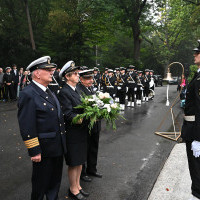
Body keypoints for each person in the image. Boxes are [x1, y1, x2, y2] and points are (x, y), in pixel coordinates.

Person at [17, 56, 67, 200]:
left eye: (51, 70)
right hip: (43, 150)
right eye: (48, 70)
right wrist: (34, 150)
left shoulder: (48, 91)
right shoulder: (28, 94)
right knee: (40, 186)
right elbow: (27, 125)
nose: (52, 72)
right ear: (37, 73)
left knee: (54, 184)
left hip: (56, 147)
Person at [58, 61, 88, 200]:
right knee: (74, 162)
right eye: (75, 74)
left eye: (77, 73)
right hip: (73, 133)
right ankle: (73, 189)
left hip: (81, 131)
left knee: (80, 160)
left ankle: (78, 185)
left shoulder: (78, 89)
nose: (78, 75)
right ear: (67, 76)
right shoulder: (64, 92)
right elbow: (68, 115)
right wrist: (87, 117)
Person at [181, 40, 200, 200]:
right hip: (193, 129)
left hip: (196, 132)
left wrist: (198, 138)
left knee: (197, 171)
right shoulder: (198, 75)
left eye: (197, 52)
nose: (194, 55)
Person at [77, 69, 102, 182]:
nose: (91, 80)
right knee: (84, 149)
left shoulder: (91, 88)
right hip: (86, 125)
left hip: (95, 125)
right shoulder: (78, 90)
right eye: (88, 79)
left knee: (93, 147)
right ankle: (82, 173)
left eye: (92, 78)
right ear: (81, 79)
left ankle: (92, 169)